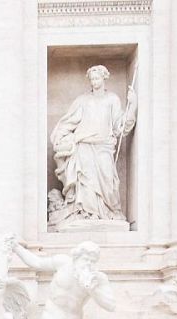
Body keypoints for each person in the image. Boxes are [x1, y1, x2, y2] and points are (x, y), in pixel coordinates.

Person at [51, 64, 138, 223]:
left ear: (104, 78)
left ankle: (109, 212)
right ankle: (87, 214)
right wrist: (60, 137)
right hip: (84, 145)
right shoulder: (82, 100)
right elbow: (68, 122)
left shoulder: (112, 99)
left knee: (108, 181)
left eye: (97, 78)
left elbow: (120, 126)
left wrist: (132, 105)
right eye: (92, 79)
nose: (94, 82)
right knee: (86, 182)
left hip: (104, 146)